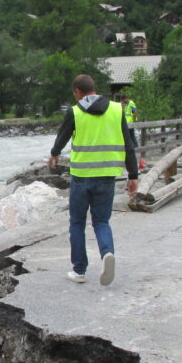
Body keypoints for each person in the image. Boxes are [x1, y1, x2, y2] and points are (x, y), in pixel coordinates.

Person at [48, 75, 139, 285]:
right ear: (94, 88)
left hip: (81, 177)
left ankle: (79, 270)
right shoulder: (116, 110)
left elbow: (63, 137)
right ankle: (107, 253)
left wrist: (54, 154)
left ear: (78, 92)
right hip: (107, 176)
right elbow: (128, 144)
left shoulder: (75, 112)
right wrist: (133, 175)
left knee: (77, 223)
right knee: (101, 221)